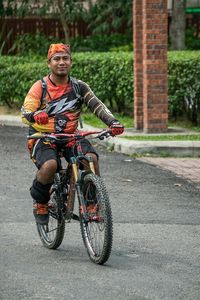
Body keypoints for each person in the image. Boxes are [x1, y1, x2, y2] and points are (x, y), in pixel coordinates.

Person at [21, 43, 124, 225]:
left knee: (90, 158)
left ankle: (92, 203)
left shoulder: (79, 87)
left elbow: (97, 105)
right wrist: (36, 114)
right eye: (57, 59)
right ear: (49, 63)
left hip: (70, 136)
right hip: (43, 137)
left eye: (65, 58)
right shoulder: (40, 87)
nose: (62, 62)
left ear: (71, 62)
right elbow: (25, 112)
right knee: (50, 166)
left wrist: (112, 122)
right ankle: (41, 202)